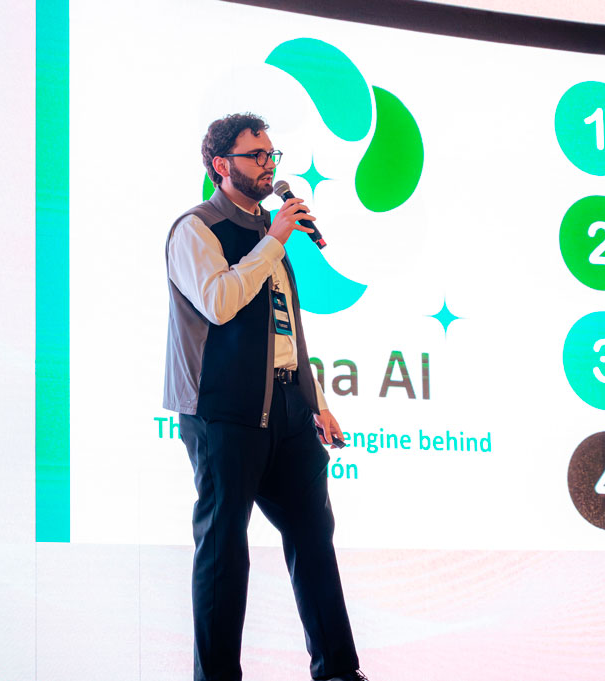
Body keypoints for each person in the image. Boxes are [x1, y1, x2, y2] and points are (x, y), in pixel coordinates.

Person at [164, 112, 368, 681]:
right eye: (256, 155)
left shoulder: (268, 234)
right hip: (223, 413)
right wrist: (275, 240)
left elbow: (286, 329)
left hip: (289, 411)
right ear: (220, 164)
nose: (268, 165)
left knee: (314, 538)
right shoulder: (196, 229)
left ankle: (339, 671)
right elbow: (219, 302)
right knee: (224, 548)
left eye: (271, 155)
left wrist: (316, 402)